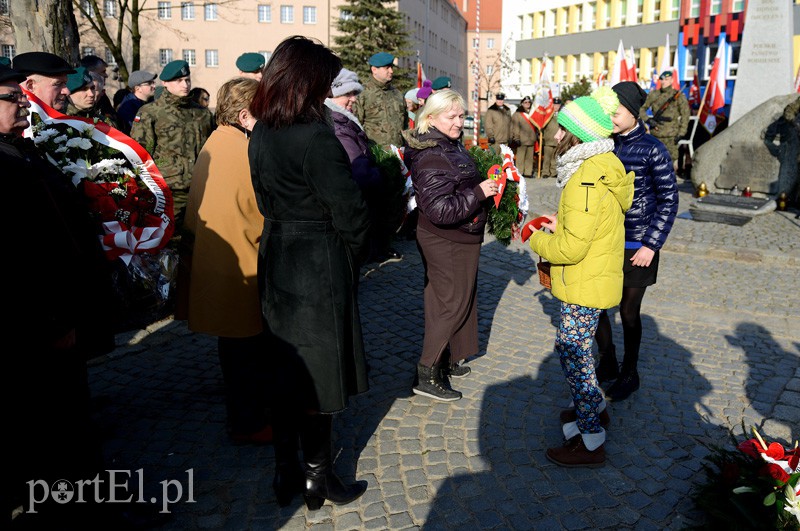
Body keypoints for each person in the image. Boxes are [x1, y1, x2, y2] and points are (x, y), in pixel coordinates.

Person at [248, 35, 370, 510]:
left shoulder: (261, 131)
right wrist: (355, 254)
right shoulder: (316, 136)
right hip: (316, 261)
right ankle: (317, 480)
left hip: (277, 251)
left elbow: (262, 200)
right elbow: (349, 210)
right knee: (317, 373)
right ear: (307, 82)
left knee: (285, 369)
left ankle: (286, 474)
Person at [1, 62, 120, 526]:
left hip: (60, 311)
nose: (22, 105)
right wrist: (53, 322)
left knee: (71, 422)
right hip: (37, 326)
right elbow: (20, 258)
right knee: (56, 428)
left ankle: (89, 502)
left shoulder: (18, 151)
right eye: (12, 98)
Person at [528, 86, 634, 468]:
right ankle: (592, 410)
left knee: (573, 353)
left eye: (561, 129)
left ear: (579, 135)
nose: (555, 135)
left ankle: (590, 439)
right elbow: (590, 225)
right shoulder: (599, 167)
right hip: (592, 276)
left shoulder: (585, 178)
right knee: (574, 349)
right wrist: (561, 222)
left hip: (584, 280)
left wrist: (534, 236)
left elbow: (572, 249)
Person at [176, 77, 273, 445]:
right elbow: (256, 211)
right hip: (239, 265)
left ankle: (247, 416)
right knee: (244, 353)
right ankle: (248, 423)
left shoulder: (220, 139)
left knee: (237, 350)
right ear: (246, 112)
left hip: (223, 262)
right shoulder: (240, 150)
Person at [403, 89, 499, 402]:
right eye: (452, 117)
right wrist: (480, 193)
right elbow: (440, 210)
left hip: (460, 234)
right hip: (448, 238)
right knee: (449, 304)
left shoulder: (448, 143)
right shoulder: (432, 154)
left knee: (453, 299)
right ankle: (427, 372)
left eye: (461, 115)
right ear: (430, 118)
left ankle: (446, 359)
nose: (459, 122)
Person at [589, 81, 679, 402]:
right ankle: (608, 359)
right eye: (608, 111)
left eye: (617, 112)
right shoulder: (604, 143)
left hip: (638, 245)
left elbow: (669, 199)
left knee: (628, 311)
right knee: (597, 303)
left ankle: (630, 373)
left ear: (633, 113)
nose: (611, 117)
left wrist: (651, 244)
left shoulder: (654, 148)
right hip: (606, 241)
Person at [325, 68, 404, 265]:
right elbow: (359, 171)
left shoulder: (344, 119)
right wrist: (382, 172)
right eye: (347, 94)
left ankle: (378, 247)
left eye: (354, 93)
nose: (353, 99)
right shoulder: (339, 125)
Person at [131, 59, 214, 232]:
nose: (185, 84)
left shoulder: (202, 113)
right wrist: (144, 190)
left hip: (201, 187)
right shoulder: (150, 112)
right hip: (168, 190)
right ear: (165, 83)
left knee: (197, 240)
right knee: (168, 239)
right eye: (179, 81)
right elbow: (141, 154)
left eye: (187, 79)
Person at [353, 51, 406, 150]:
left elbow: (405, 125)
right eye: (387, 68)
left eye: (391, 67)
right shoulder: (362, 93)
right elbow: (355, 126)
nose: (391, 71)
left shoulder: (397, 94)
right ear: (374, 69)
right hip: (373, 153)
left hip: (398, 154)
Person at [639, 71, 690, 170]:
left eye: (666, 79)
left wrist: (681, 133)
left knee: (670, 166)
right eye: (662, 79)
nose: (663, 82)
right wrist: (648, 120)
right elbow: (641, 109)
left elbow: (685, 115)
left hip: (671, 136)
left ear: (671, 80)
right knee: (654, 164)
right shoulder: (654, 94)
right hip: (656, 134)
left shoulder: (678, 96)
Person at [117, 69, 156, 134]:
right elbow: (136, 132)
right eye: (149, 83)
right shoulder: (127, 107)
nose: (154, 86)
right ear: (137, 88)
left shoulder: (151, 102)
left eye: (153, 82)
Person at [79, 54, 117, 119]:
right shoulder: (80, 101)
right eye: (103, 72)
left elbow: (114, 118)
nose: (106, 75)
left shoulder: (102, 97)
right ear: (90, 74)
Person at [510, 95, 538, 178]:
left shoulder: (533, 113)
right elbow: (515, 127)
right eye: (525, 102)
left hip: (531, 139)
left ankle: (528, 172)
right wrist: (516, 138)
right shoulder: (517, 114)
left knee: (529, 158)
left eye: (529, 102)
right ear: (522, 104)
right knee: (520, 158)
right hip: (521, 139)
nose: (527, 104)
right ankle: (520, 173)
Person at [539, 97, 562, 177]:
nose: (556, 106)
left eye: (557, 105)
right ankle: (545, 172)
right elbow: (542, 126)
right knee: (547, 158)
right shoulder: (547, 115)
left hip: (557, 140)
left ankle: (554, 172)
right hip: (548, 139)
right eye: (554, 105)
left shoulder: (561, 115)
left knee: (555, 158)